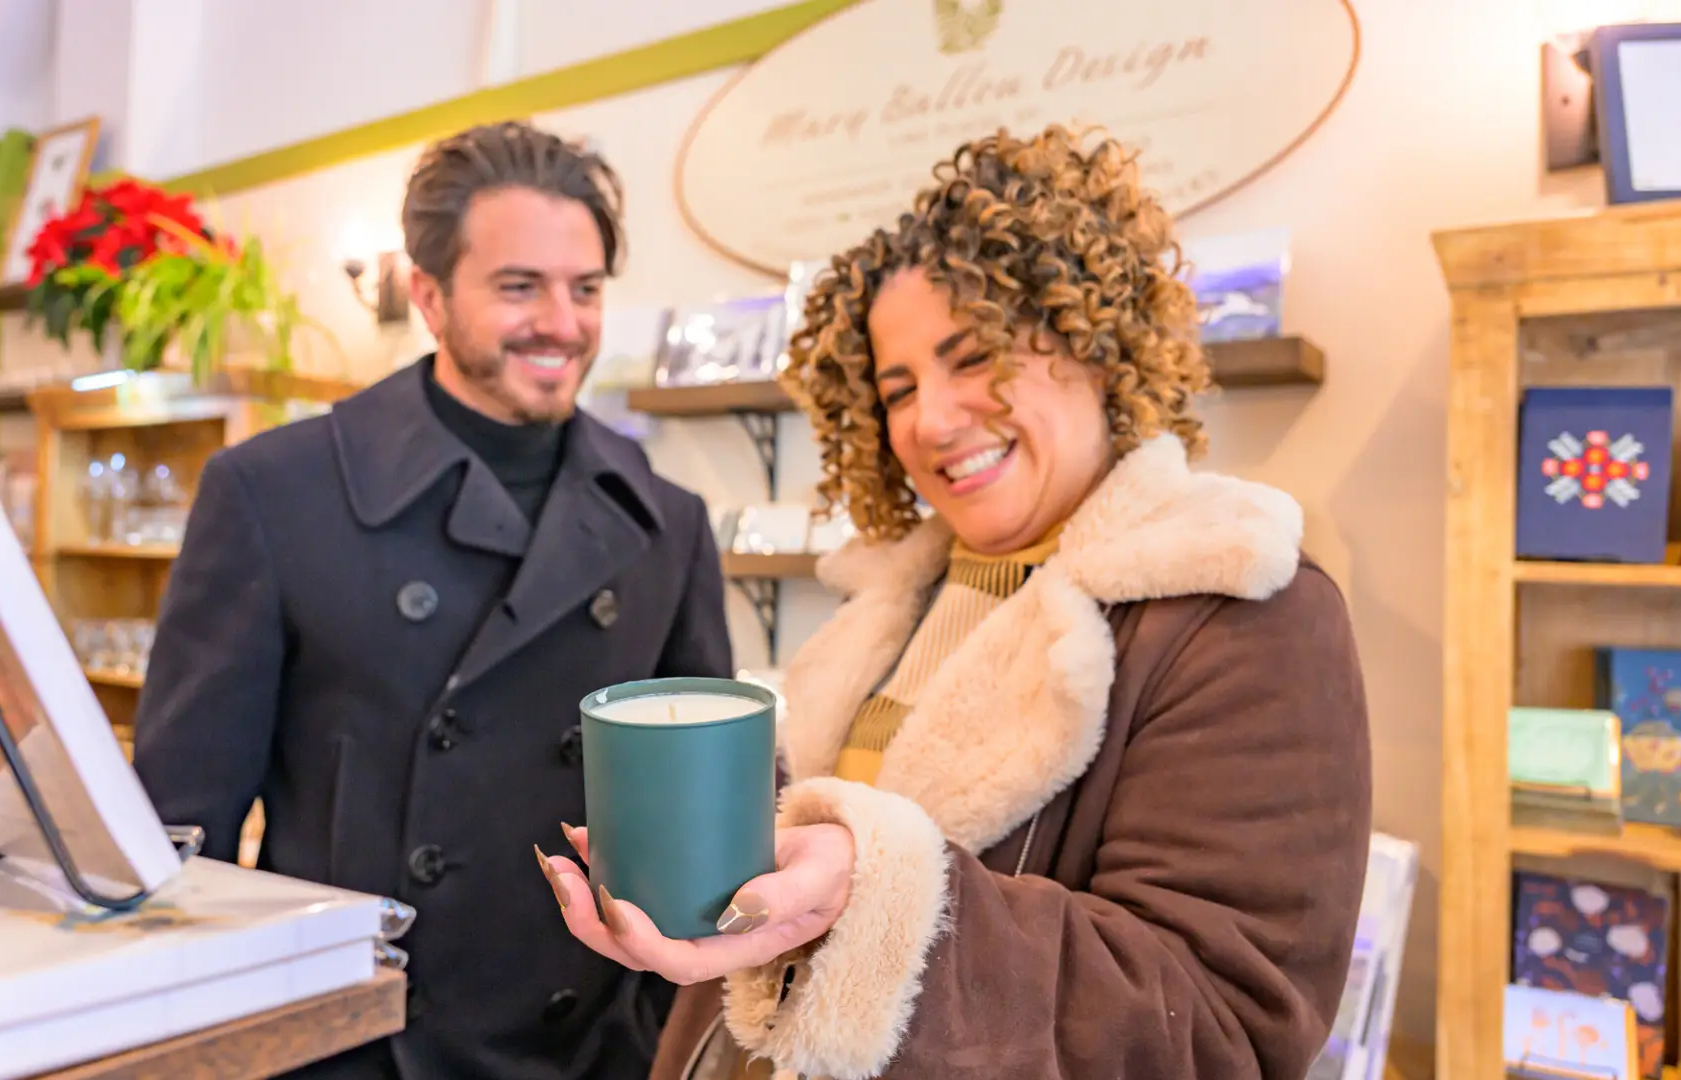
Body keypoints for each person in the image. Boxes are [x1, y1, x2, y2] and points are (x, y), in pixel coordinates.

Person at [538, 123, 1373, 1080]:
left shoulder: (1239, 609)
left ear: (1092, 340)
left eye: (974, 357)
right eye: (897, 388)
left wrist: (876, 900)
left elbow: (1221, 1029)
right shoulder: (888, 607)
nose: (930, 420)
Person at [132, 121, 733, 1080]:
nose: (562, 322)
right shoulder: (275, 493)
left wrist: (649, 1016)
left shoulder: (667, 521)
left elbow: (706, 816)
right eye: (518, 286)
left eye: (585, 290)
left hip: (583, 1053)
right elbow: (180, 840)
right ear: (427, 293)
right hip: (354, 1048)